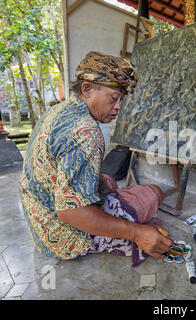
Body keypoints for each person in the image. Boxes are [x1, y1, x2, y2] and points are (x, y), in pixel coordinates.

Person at [19, 51, 173, 264]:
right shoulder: (86, 131)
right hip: (63, 234)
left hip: (39, 221)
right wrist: (138, 233)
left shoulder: (59, 110)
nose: (119, 106)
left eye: (121, 99)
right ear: (87, 89)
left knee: (109, 183)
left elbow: (57, 166)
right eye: (114, 98)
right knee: (153, 192)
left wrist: (96, 178)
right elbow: (70, 212)